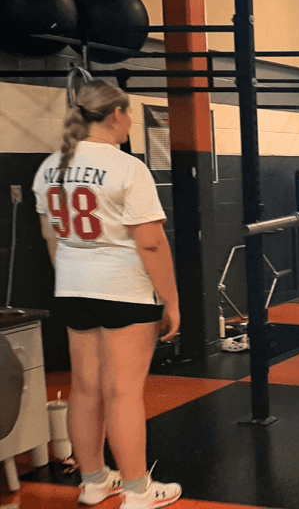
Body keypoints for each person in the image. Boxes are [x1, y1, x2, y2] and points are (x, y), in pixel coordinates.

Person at [31, 80, 182, 509]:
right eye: (127, 114)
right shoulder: (126, 167)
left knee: (85, 388)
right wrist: (171, 301)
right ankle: (137, 489)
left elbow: (50, 237)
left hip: (74, 288)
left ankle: (94, 482)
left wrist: (77, 277)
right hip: (124, 291)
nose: (129, 123)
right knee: (123, 392)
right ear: (115, 115)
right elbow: (151, 243)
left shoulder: (49, 167)